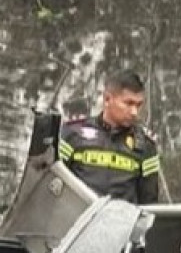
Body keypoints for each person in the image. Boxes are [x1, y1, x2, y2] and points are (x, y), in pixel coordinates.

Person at [59, 69, 160, 204]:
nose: (134, 112)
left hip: (122, 223)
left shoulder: (145, 145)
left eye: (138, 105)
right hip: (78, 220)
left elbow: (149, 203)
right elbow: (53, 186)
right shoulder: (73, 134)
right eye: (128, 103)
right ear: (107, 99)